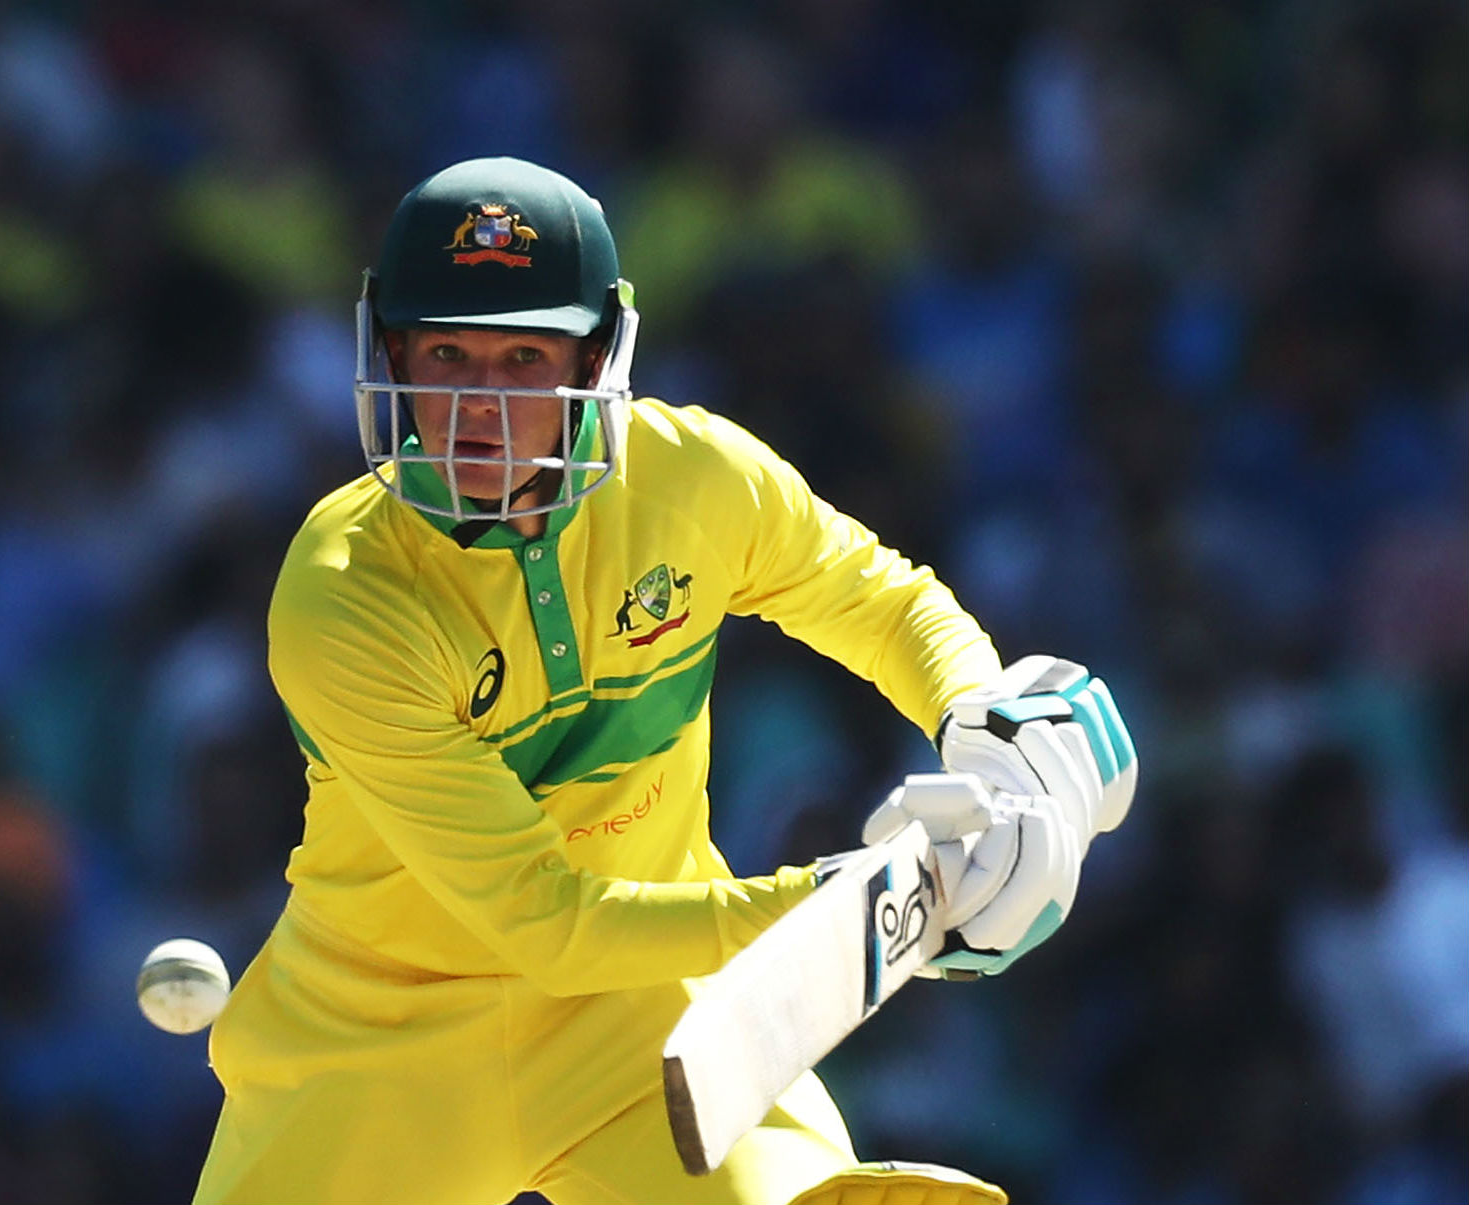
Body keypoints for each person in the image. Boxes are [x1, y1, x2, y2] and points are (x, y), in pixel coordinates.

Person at [192, 157, 1137, 1205]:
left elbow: (879, 599)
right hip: (378, 1041)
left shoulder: (694, 476)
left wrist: (976, 711)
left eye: (522, 358)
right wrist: (847, 907)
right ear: (392, 353)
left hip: (650, 1023)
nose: (478, 403)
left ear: (595, 358)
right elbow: (545, 919)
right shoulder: (343, 591)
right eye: (447, 352)